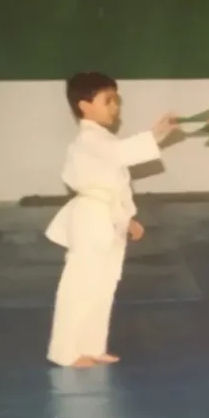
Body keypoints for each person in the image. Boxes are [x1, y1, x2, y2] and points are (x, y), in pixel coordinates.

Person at [46, 71, 177, 368]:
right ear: (84, 105)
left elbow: (116, 184)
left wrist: (128, 218)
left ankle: (91, 345)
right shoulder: (88, 139)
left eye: (116, 100)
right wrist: (157, 133)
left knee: (104, 283)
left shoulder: (104, 139)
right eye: (108, 101)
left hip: (107, 215)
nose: (115, 107)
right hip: (91, 216)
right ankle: (64, 351)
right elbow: (122, 155)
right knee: (80, 283)